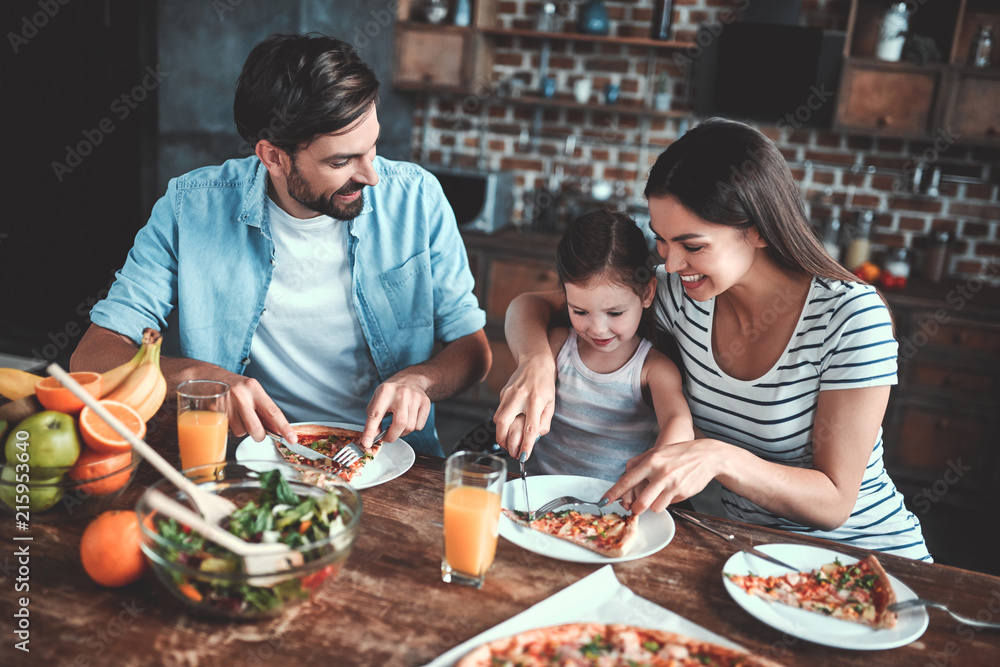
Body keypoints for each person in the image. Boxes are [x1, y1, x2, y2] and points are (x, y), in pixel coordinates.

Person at [495, 118, 931, 560]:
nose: (673, 261)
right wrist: (536, 364)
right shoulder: (679, 293)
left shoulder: (851, 317)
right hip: (748, 554)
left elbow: (835, 502)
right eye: (662, 241)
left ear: (759, 229)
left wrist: (717, 458)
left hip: (867, 558)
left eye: (693, 245)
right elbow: (528, 306)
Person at [70, 33, 490, 457]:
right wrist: (201, 378)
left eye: (372, 148)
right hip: (245, 458)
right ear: (273, 157)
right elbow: (92, 357)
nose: (371, 176)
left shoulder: (418, 198)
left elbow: (473, 350)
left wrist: (419, 381)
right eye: (340, 161)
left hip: (391, 459)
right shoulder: (190, 207)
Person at [507, 210, 693, 482]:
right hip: (538, 494)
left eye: (615, 313)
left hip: (610, 507)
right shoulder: (558, 344)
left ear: (647, 293)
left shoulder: (653, 369)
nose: (597, 328)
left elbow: (678, 421)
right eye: (579, 311)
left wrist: (658, 464)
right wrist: (521, 419)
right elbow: (527, 394)